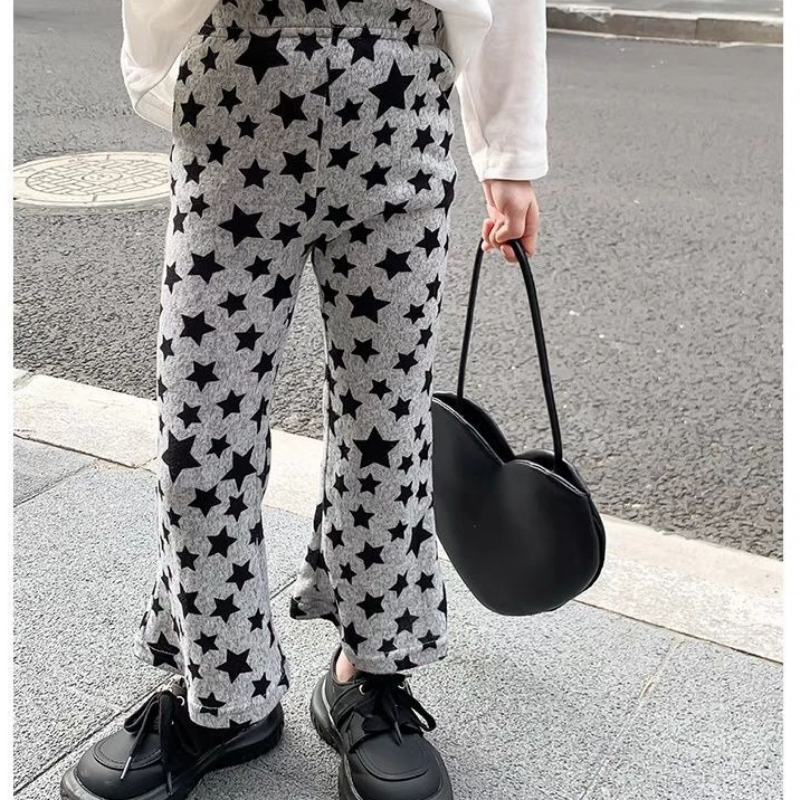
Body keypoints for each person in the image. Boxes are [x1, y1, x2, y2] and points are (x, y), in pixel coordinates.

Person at [60, 2, 547, 799]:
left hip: (398, 89)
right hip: (236, 95)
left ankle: (368, 672)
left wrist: (510, 154)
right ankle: (223, 689)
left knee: (387, 428)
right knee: (197, 432)